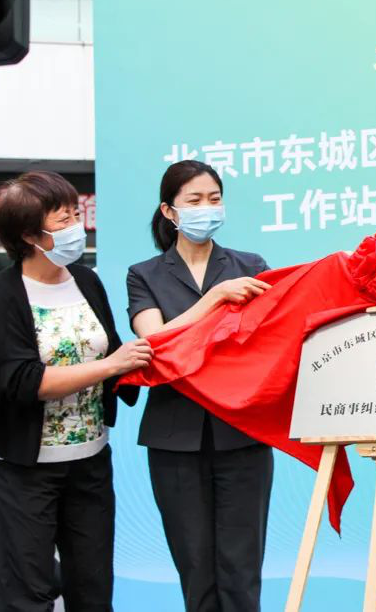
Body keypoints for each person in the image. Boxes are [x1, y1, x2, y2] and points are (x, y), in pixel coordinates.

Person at [0, 171, 150, 611]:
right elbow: (25, 381)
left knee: (93, 589)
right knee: (26, 593)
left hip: (91, 463)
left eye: (76, 215)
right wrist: (112, 365)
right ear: (29, 235)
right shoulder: (1, 295)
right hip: (24, 470)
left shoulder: (85, 280)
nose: (75, 227)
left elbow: (112, 348)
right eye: (63, 220)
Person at [126, 160, 273, 612]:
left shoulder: (250, 266)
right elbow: (156, 342)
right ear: (169, 211)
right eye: (194, 200)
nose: (207, 208)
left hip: (241, 434)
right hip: (174, 438)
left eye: (214, 199)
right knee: (196, 569)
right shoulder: (144, 274)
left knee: (242, 571)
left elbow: (270, 339)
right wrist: (215, 299)